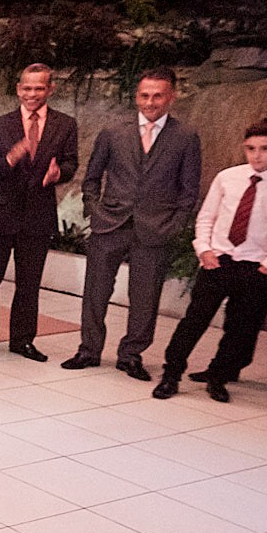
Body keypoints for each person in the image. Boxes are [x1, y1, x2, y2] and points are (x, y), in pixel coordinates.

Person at [63, 68, 202, 379]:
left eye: (157, 96)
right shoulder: (113, 132)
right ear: (136, 96)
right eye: (144, 95)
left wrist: (176, 223)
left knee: (145, 296)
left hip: (155, 228)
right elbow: (92, 178)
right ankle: (89, 350)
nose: (150, 102)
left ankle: (131, 354)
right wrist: (94, 209)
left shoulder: (185, 137)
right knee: (95, 291)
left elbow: (189, 189)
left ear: (171, 97)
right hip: (110, 223)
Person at [154, 119, 267, 403]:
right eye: (251, 148)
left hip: (253, 266)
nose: (257, 155)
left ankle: (219, 377)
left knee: (240, 328)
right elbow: (207, 216)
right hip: (218, 261)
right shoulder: (228, 177)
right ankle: (171, 374)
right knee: (194, 320)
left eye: (265, 148)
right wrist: (204, 250)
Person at [0, 63, 78, 361]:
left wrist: (58, 174)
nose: (32, 94)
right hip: (1, 214)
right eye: (27, 88)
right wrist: (12, 156)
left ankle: (23, 341)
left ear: (50, 89)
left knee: (29, 283)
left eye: (39, 88)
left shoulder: (65, 124)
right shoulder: (1, 124)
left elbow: (71, 163)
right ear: (18, 89)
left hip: (38, 216)